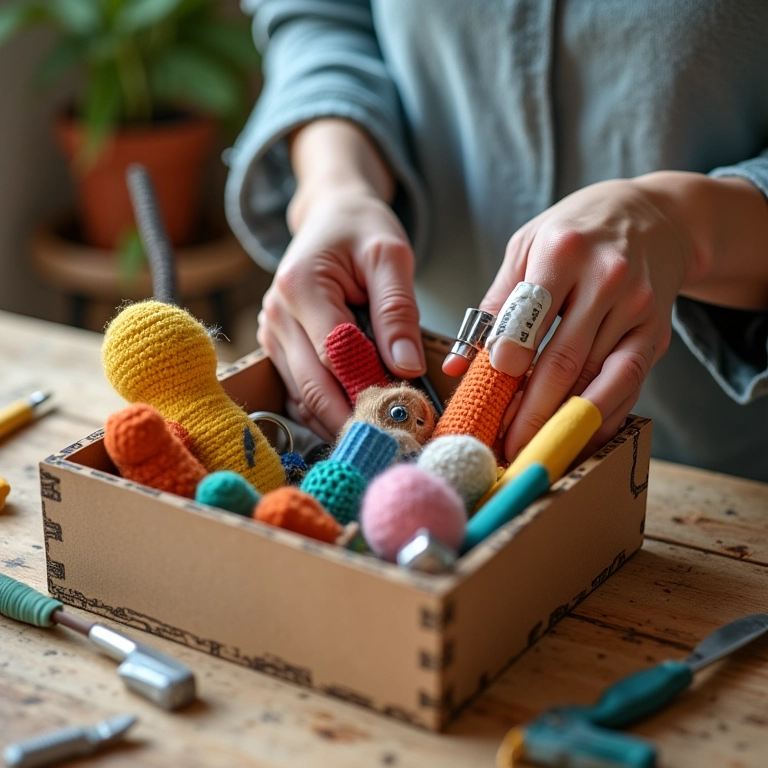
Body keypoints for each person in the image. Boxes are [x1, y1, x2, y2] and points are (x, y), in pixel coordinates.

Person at [224, 0, 768, 482]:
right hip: (427, 346)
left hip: (720, 470)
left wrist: (685, 227)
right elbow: (323, 16)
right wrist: (334, 184)